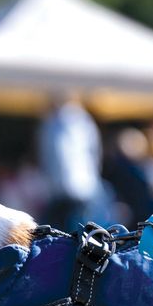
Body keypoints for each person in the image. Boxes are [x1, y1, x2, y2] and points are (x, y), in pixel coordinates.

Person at [38, 96, 102, 230]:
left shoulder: (60, 122)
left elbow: (58, 156)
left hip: (69, 189)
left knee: (65, 232)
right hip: (80, 187)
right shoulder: (80, 120)